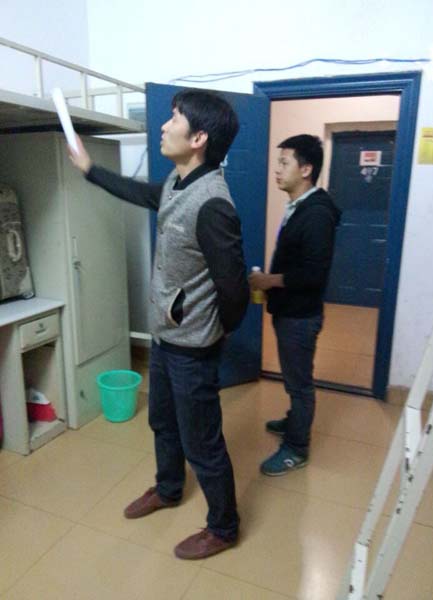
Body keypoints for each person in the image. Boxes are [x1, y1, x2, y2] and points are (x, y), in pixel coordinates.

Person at [69, 90, 249, 559]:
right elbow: (146, 194)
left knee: (202, 442)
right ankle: (168, 489)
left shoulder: (213, 204)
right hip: (166, 340)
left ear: (199, 138)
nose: (165, 127)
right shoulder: (177, 181)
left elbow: (235, 290)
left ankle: (224, 527)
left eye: (175, 119)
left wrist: (214, 335)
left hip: (192, 349)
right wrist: (90, 170)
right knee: (162, 422)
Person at [249, 134, 341, 476]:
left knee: (300, 385)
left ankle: (296, 449)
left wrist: (269, 281)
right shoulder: (301, 206)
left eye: (284, 163)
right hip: (290, 312)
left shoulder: (316, 214)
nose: (277, 169)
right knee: (293, 378)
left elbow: (313, 274)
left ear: (306, 169)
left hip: (300, 317)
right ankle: (293, 421)